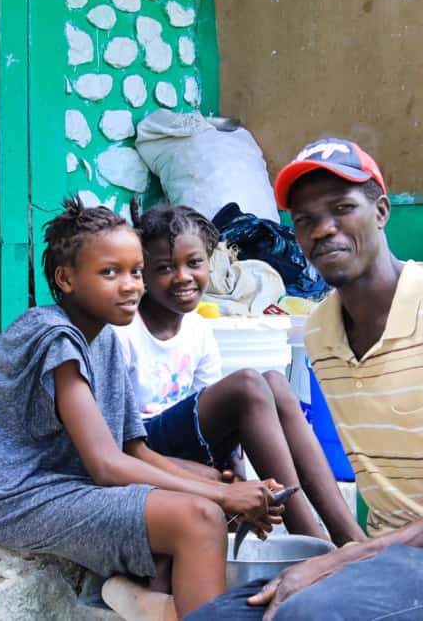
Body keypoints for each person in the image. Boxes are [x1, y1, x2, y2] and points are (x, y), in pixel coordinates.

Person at [187, 138, 423, 621]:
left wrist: (349, 557)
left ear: (380, 211)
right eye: (306, 220)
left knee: (309, 617)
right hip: (387, 560)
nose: (324, 229)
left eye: (341, 208)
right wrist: (340, 550)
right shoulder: (321, 331)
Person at [0, 198, 283, 619]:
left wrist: (222, 486)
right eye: (109, 273)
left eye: (135, 271)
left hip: (66, 485)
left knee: (199, 477)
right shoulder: (56, 336)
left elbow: (136, 450)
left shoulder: (108, 337)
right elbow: (108, 467)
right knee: (200, 515)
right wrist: (222, 497)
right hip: (15, 498)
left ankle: (136, 593)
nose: (130, 285)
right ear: (66, 278)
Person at [114, 202, 364, 547]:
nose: (183, 276)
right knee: (247, 383)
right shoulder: (123, 333)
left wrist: (237, 482)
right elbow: (122, 444)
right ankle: (312, 540)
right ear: (141, 273)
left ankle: (349, 537)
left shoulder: (198, 329)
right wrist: (222, 489)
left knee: (275, 382)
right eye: (164, 267)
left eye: (195, 263)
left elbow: (225, 428)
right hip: (146, 448)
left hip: (188, 444)